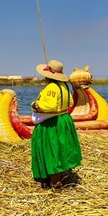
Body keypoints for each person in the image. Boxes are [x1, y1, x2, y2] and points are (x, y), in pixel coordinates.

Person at [30, 59, 83, 189]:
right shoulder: (64, 86)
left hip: (51, 123)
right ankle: (56, 178)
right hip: (63, 119)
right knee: (60, 149)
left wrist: (35, 105)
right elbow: (70, 102)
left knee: (51, 150)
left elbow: (49, 105)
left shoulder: (51, 88)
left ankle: (55, 183)